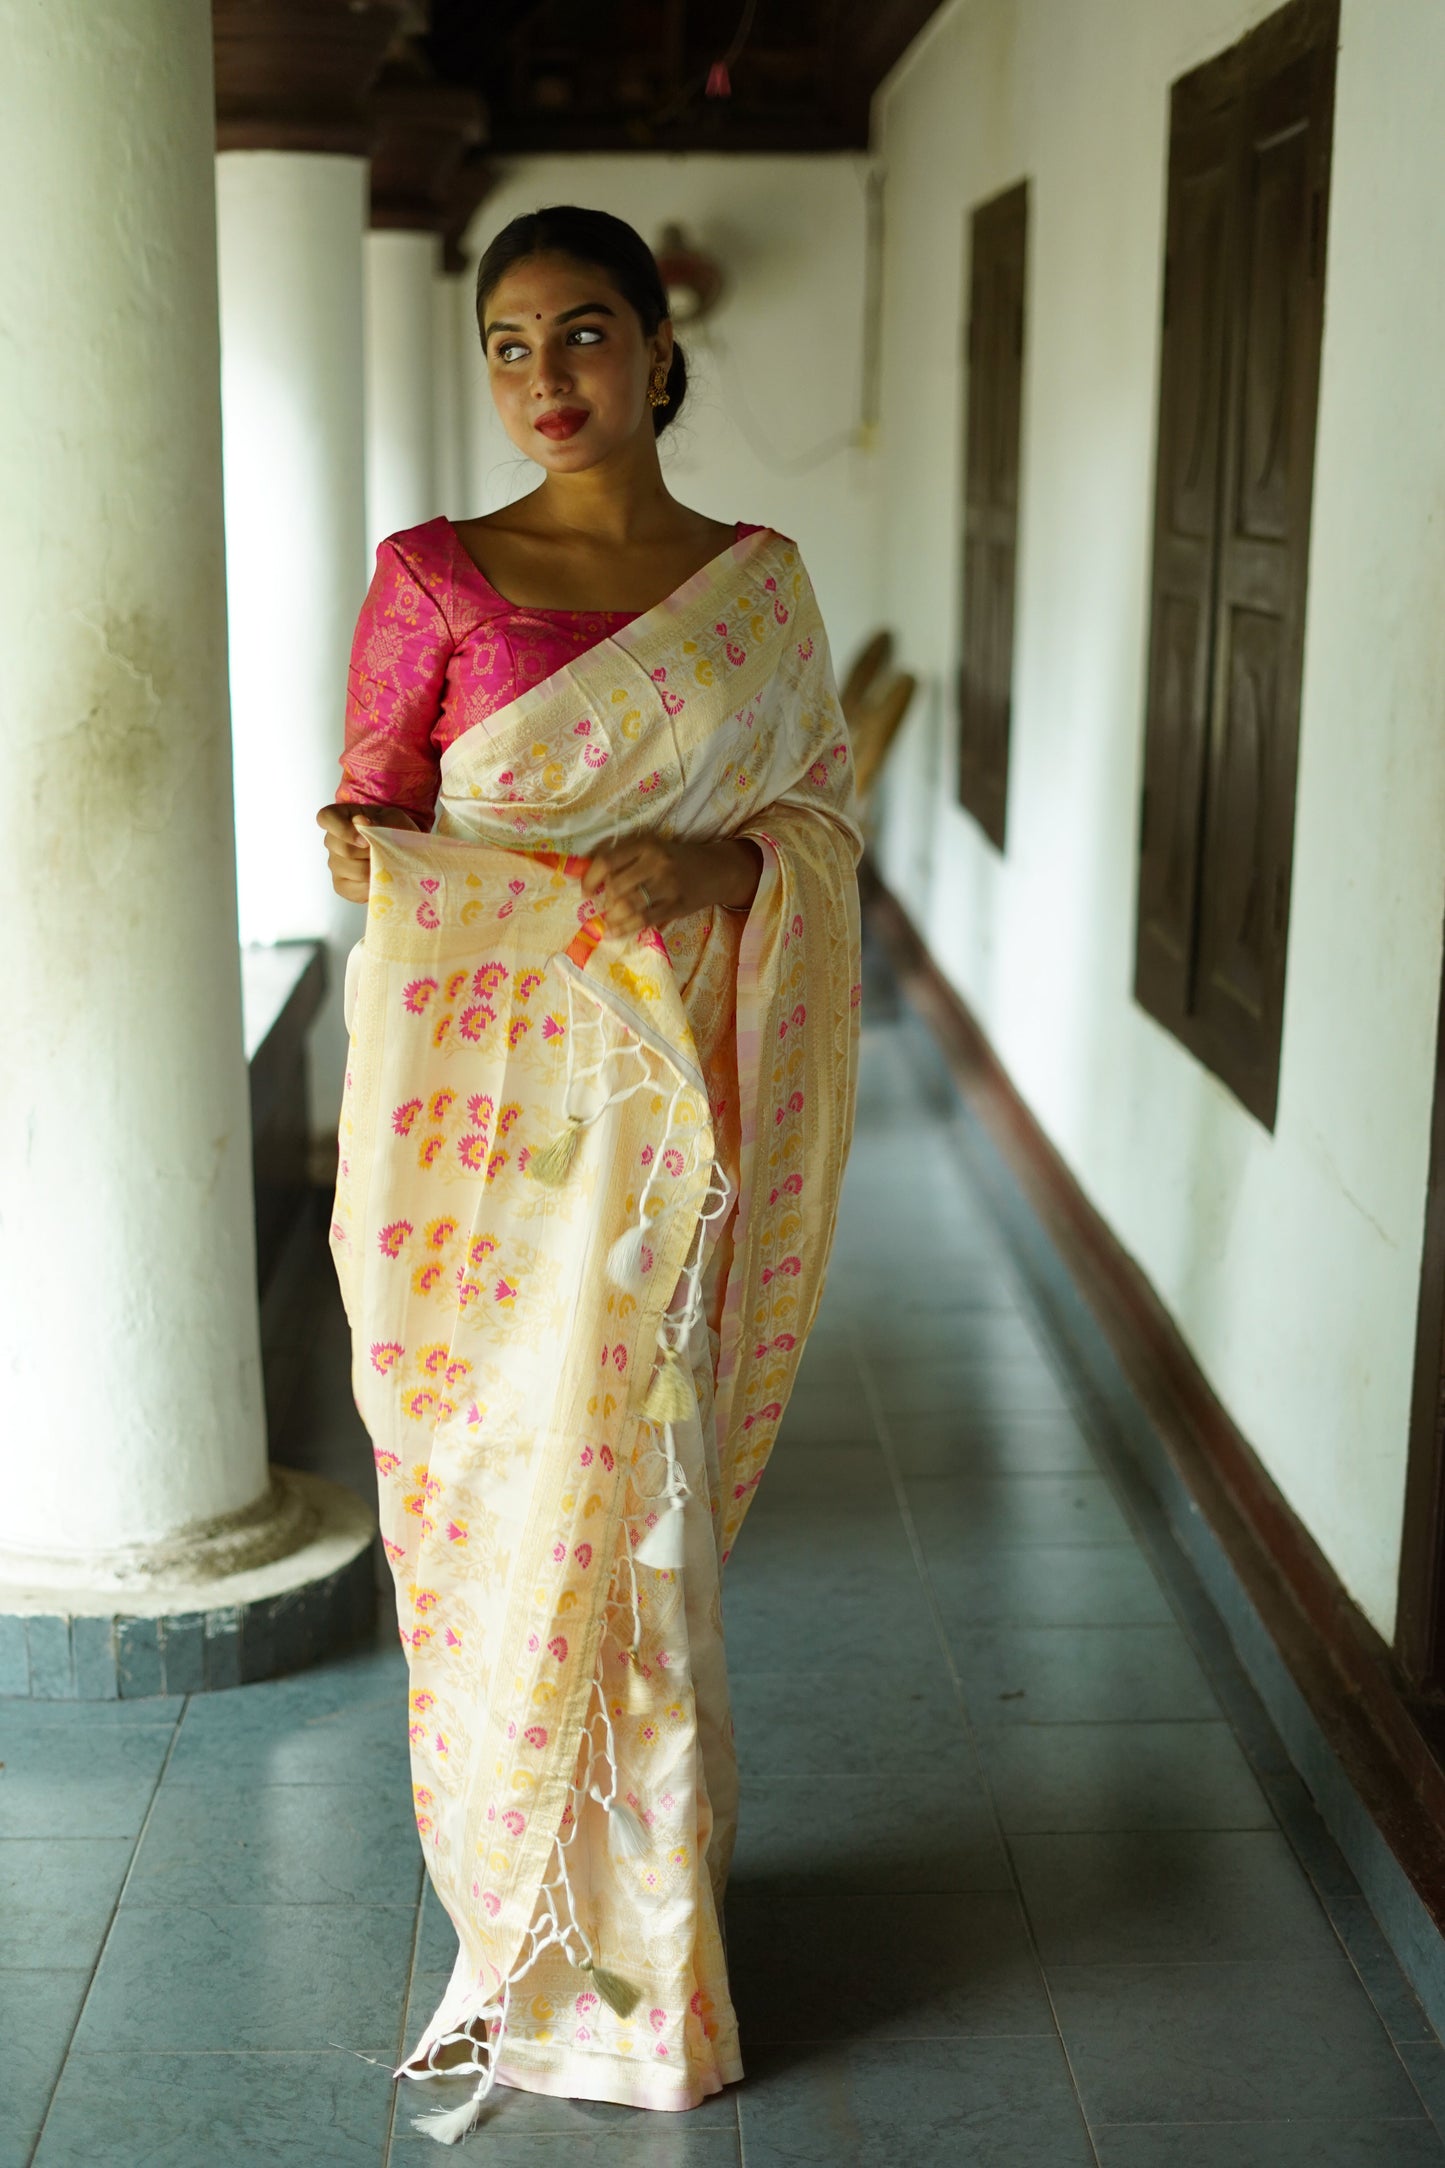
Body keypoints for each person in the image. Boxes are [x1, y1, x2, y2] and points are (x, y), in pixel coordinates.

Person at [318, 204, 861, 2143]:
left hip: (664, 1140)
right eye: (514, 346)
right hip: (486, 1164)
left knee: (642, 1497)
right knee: (494, 1499)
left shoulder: (758, 588)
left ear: (658, 351)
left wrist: (725, 871)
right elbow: (377, 840)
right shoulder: (431, 579)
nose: (551, 380)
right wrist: (367, 849)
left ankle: (651, 1957)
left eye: (588, 335)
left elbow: (813, 824)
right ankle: (522, 1923)